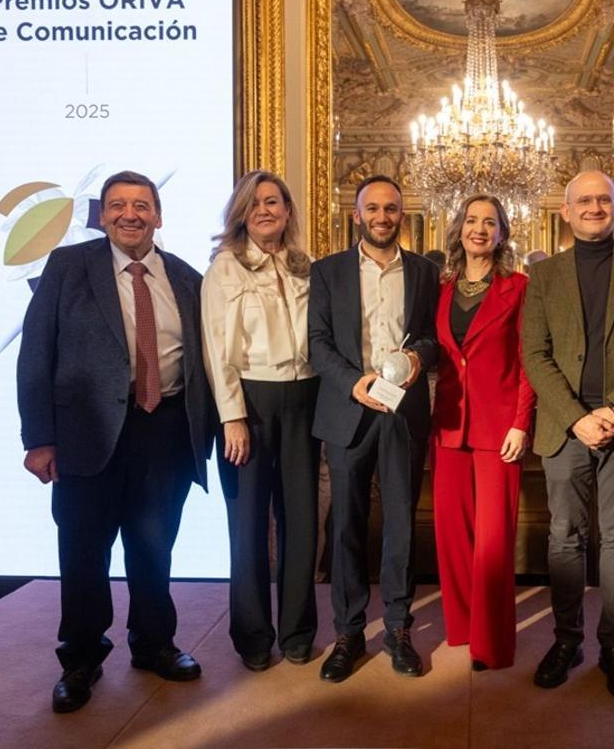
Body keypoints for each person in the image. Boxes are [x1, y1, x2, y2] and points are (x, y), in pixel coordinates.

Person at [17, 170, 214, 713]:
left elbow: (203, 361)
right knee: (84, 552)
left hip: (165, 430)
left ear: (158, 216)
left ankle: (154, 644)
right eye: (119, 205)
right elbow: (36, 354)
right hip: (86, 435)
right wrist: (39, 438)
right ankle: (80, 658)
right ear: (102, 216)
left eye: (142, 205)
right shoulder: (67, 267)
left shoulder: (186, 277)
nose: (131, 214)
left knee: (154, 547)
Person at [521, 170, 614, 700]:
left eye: (602, 200)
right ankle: (567, 640)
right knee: (564, 536)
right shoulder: (544, 275)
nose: (593, 208)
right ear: (566, 211)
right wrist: (576, 417)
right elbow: (534, 354)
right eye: (583, 201)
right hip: (564, 428)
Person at [307, 174, 440, 682]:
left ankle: (400, 628)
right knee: (345, 525)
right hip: (349, 410)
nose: (382, 217)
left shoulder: (425, 272)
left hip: (403, 412)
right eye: (373, 209)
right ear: (357, 215)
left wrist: (417, 356)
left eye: (391, 209)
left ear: (401, 215)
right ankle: (348, 632)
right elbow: (317, 342)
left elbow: (432, 337)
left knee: (402, 523)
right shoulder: (327, 271)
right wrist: (353, 382)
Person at [201, 171, 320, 671]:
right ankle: (252, 635)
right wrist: (232, 416)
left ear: (288, 211)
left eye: (273, 202)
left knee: (302, 521)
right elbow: (216, 350)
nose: (265, 210)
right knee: (248, 524)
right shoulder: (225, 268)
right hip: (249, 402)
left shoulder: (304, 265)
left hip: (305, 397)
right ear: (241, 214)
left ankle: (297, 631)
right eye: (255, 204)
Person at [432, 194, 535, 671]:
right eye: (471, 220)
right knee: (453, 534)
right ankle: (462, 628)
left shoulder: (519, 287)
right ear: (459, 229)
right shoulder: (442, 289)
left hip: (500, 428)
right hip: (449, 425)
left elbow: (529, 361)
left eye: (489, 222)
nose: (479, 229)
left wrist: (521, 422)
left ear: (502, 232)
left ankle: (491, 643)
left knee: (493, 542)